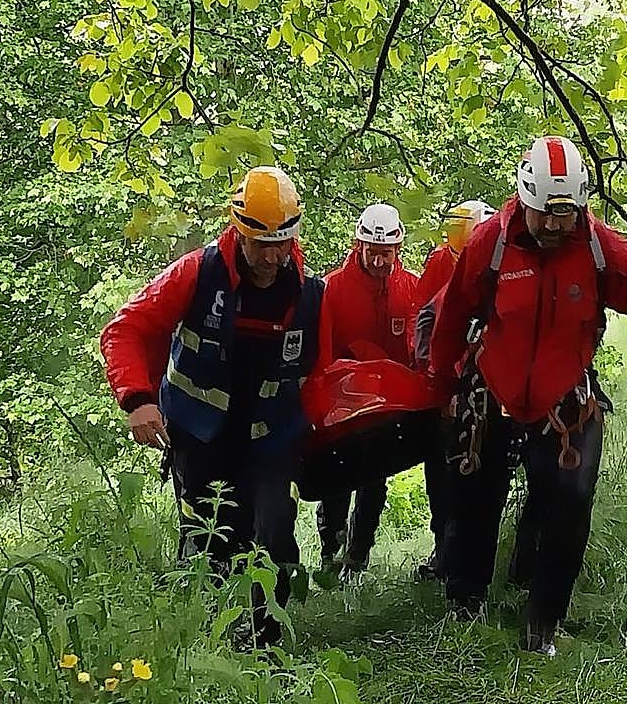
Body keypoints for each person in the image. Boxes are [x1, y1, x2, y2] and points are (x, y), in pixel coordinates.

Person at [429, 135, 627, 656]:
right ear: (526, 199)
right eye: (544, 214)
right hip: (494, 391)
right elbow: (453, 315)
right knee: (475, 499)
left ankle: (542, 622)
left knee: (569, 501)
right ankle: (465, 605)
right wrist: (442, 386)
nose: (552, 226)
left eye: (564, 216)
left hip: (564, 397)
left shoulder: (601, 250)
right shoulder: (490, 245)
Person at [100, 166, 326, 646]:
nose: (272, 257)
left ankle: (266, 643)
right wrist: (138, 400)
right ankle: (208, 642)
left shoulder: (310, 294)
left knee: (273, 534)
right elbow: (126, 330)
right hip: (199, 433)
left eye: (282, 243)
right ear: (238, 233)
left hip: (268, 438)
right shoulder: (196, 273)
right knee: (210, 539)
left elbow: (325, 370)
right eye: (261, 245)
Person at [315, 203, 420, 576]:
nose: (379, 261)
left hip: (386, 407)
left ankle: (357, 559)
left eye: (386, 253)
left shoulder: (409, 288)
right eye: (372, 252)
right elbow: (321, 347)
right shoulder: (333, 288)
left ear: (398, 251)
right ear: (358, 246)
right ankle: (330, 550)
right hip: (340, 406)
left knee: (374, 483)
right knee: (336, 481)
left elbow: (415, 345)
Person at [412, 199, 496, 582]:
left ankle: (465, 561)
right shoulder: (445, 268)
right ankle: (447, 554)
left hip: (491, 390)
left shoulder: (504, 267)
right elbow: (427, 316)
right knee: (446, 473)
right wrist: (437, 379)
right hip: (459, 388)